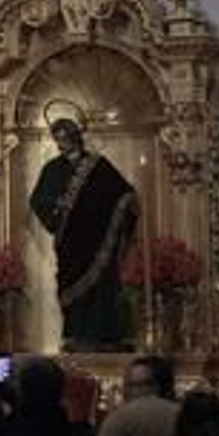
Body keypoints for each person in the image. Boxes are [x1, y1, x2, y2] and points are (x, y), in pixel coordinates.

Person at [29, 117, 139, 350]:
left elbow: (124, 194)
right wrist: (57, 209)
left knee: (105, 287)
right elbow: (38, 200)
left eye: (65, 136)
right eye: (57, 138)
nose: (61, 142)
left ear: (75, 136)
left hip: (99, 240)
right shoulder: (52, 169)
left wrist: (124, 207)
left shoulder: (98, 164)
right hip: (70, 241)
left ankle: (107, 335)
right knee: (70, 285)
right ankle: (75, 335)